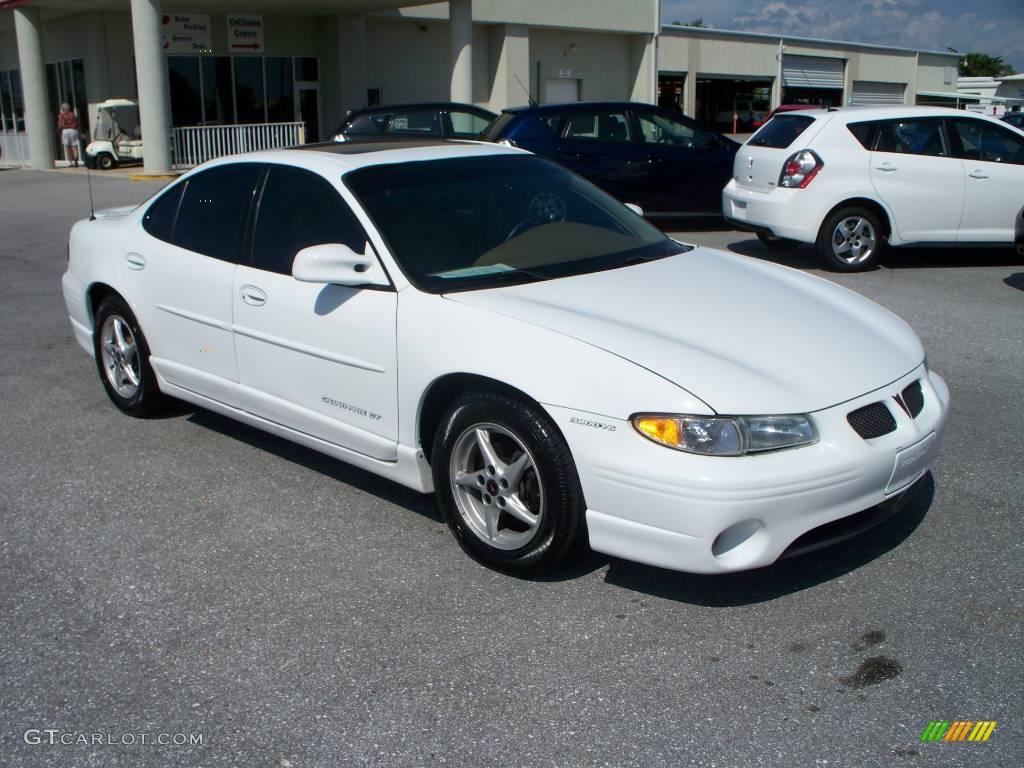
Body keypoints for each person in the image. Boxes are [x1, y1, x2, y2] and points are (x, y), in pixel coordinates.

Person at [57, 103, 81, 168]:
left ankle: (71, 161)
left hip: (66, 130)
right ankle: (76, 158)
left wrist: (59, 130)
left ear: (63, 109)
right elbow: (77, 123)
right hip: (73, 130)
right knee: (74, 146)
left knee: (68, 147)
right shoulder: (73, 115)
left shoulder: (61, 115)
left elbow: (60, 124)